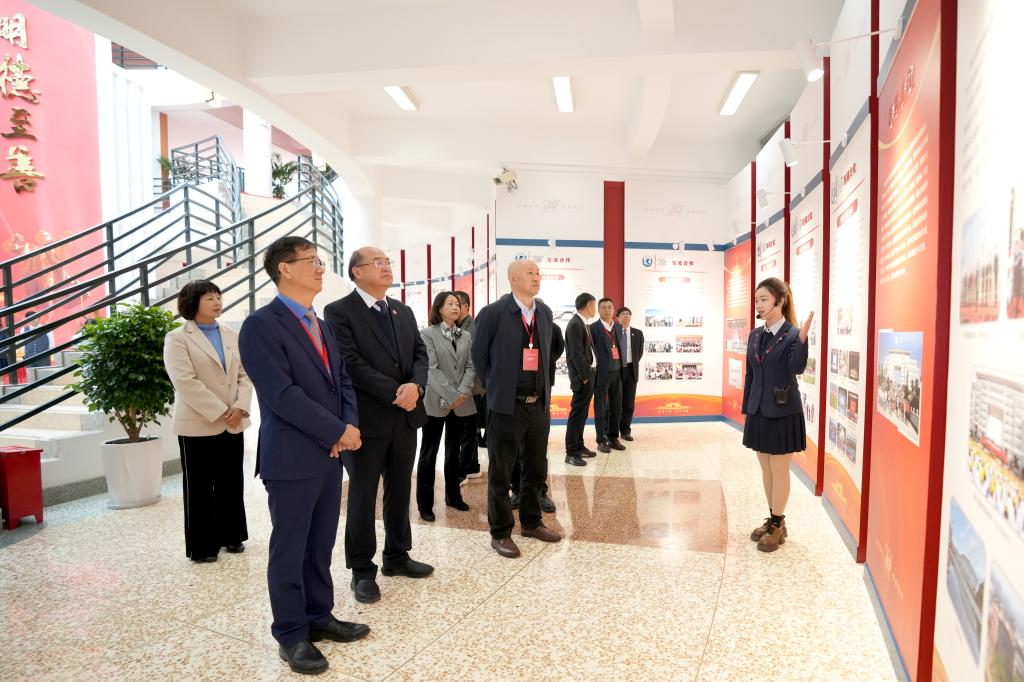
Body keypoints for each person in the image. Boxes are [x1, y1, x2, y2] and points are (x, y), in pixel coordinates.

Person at [238, 237, 369, 675]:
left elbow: (342, 380)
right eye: (311, 261)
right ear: (284, 268)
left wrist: (347, 427)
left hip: (329, 454)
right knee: (290, 548)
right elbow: (282, 394)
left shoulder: (321, 323)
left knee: (319, 543)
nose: (319, 268)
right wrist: (336, 431)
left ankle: (319, 615)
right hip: (292, 456)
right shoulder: (261, 325)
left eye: (320, 260)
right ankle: (291, 633)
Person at [324, 246, 433, 604]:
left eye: (388, 262)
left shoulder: (402, 310)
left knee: (400, 489)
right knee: (362, 494)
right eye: (378, 263)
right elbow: (350, 363)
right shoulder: (339, 311)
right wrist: (396, 392)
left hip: (405, 417)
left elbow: (420, 354)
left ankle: (397, 556)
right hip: (366, 421)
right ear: (356, 272)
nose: (386, 267)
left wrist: (415, 387)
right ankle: (361, 570)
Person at [472, 259, 562, 558]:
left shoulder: (544, 313)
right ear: (512, 278)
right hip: (506, 406)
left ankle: (532, 522)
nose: (536, 277)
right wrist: (497, 386)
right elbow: (479, 355)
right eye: (530, 273)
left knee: (535, 469)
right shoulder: (494, 313)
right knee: (502, 472)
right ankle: (500, 532)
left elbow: (551, 351)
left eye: (538, 273)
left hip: (538, 406)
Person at [163, 280, 252, 564]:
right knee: (200, 487)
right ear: (193, 303)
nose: (217, 302)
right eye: (210, 298)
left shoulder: (231, 335)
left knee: (231, 481)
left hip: (233, 421)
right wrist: (222, 410)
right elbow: (184, 381)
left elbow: (245, 375)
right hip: (198, 423)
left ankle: (232, 535)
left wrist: (240, 407)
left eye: (218, 297)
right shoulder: (177, 338)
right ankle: (202, 546)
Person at [742, 277, 813, 553]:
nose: (759, 305)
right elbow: (751, 375)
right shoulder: (755, 335)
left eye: (764, 299)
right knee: (766, 468)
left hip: (783, 412)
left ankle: (777, 524)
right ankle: (775, 519)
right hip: (759, 410)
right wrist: (748, 408)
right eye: (756, 300)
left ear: (780, 301)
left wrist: (803, 340)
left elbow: (797, 368)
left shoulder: (793, 334)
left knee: (779, 469)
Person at [417, 291, 475, 521]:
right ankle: (425, 504)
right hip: (436, 401)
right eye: (450, 303)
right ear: (439, 308)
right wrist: (452, 395)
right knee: (429, 452)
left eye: (457, 304)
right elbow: (431, 369)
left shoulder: (465, 335)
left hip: (461, 401)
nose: (455, 307)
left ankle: (453, 496)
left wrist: (462, 393)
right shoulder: (427, 334)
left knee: (454, 451)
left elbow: (471, 366)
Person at [510, 314, 563, 513]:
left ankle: (540, 492)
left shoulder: (551, 327)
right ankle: (517, 490)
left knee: (538, 451)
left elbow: (558, 348)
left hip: (540, 393)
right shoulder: (511, 326)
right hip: (514, 397)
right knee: (515, 450)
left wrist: (545, 362)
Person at [454, 290, 485, 479]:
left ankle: (464, 469)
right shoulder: (460, 326)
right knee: (469, 429)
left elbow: (468, 361)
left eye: (456, 305)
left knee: (467, 431)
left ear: (466, 306)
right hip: (466, 387)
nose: (453, 308)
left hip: (470, 387)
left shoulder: (470, 329)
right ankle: (472, 466)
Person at [564, 293, 598, 465]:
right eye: (595, 305)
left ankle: (579, 445)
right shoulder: (575, 324)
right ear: (589, 305)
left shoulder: (582, 323)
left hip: (588, 374)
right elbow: (576, 354)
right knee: (577, 414)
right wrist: (584, 377)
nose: (595, 309)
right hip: (582, 377)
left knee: (582, 414)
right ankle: (571, 452)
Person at [591, 298, 626, 453]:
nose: (607, 310)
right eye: (603, 307)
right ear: (598, 310)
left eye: (610, 307)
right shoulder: (593, 328)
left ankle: (613, 437)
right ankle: (601, 439)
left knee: (616, 408)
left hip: (617, 373)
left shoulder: (618, 327)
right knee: (600, 408)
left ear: (613, 310)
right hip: (601, 374)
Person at [616, 306, 644, 441]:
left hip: (631, 370)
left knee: (628, 403)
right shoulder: (613, 332)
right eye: (623, 314)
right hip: (616, 370)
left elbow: (639, 353)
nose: (626, 316)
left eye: (628, 313)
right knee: (613, 403)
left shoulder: (638, 333)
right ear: (618, 318)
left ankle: (625, 431)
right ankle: (610, 431)